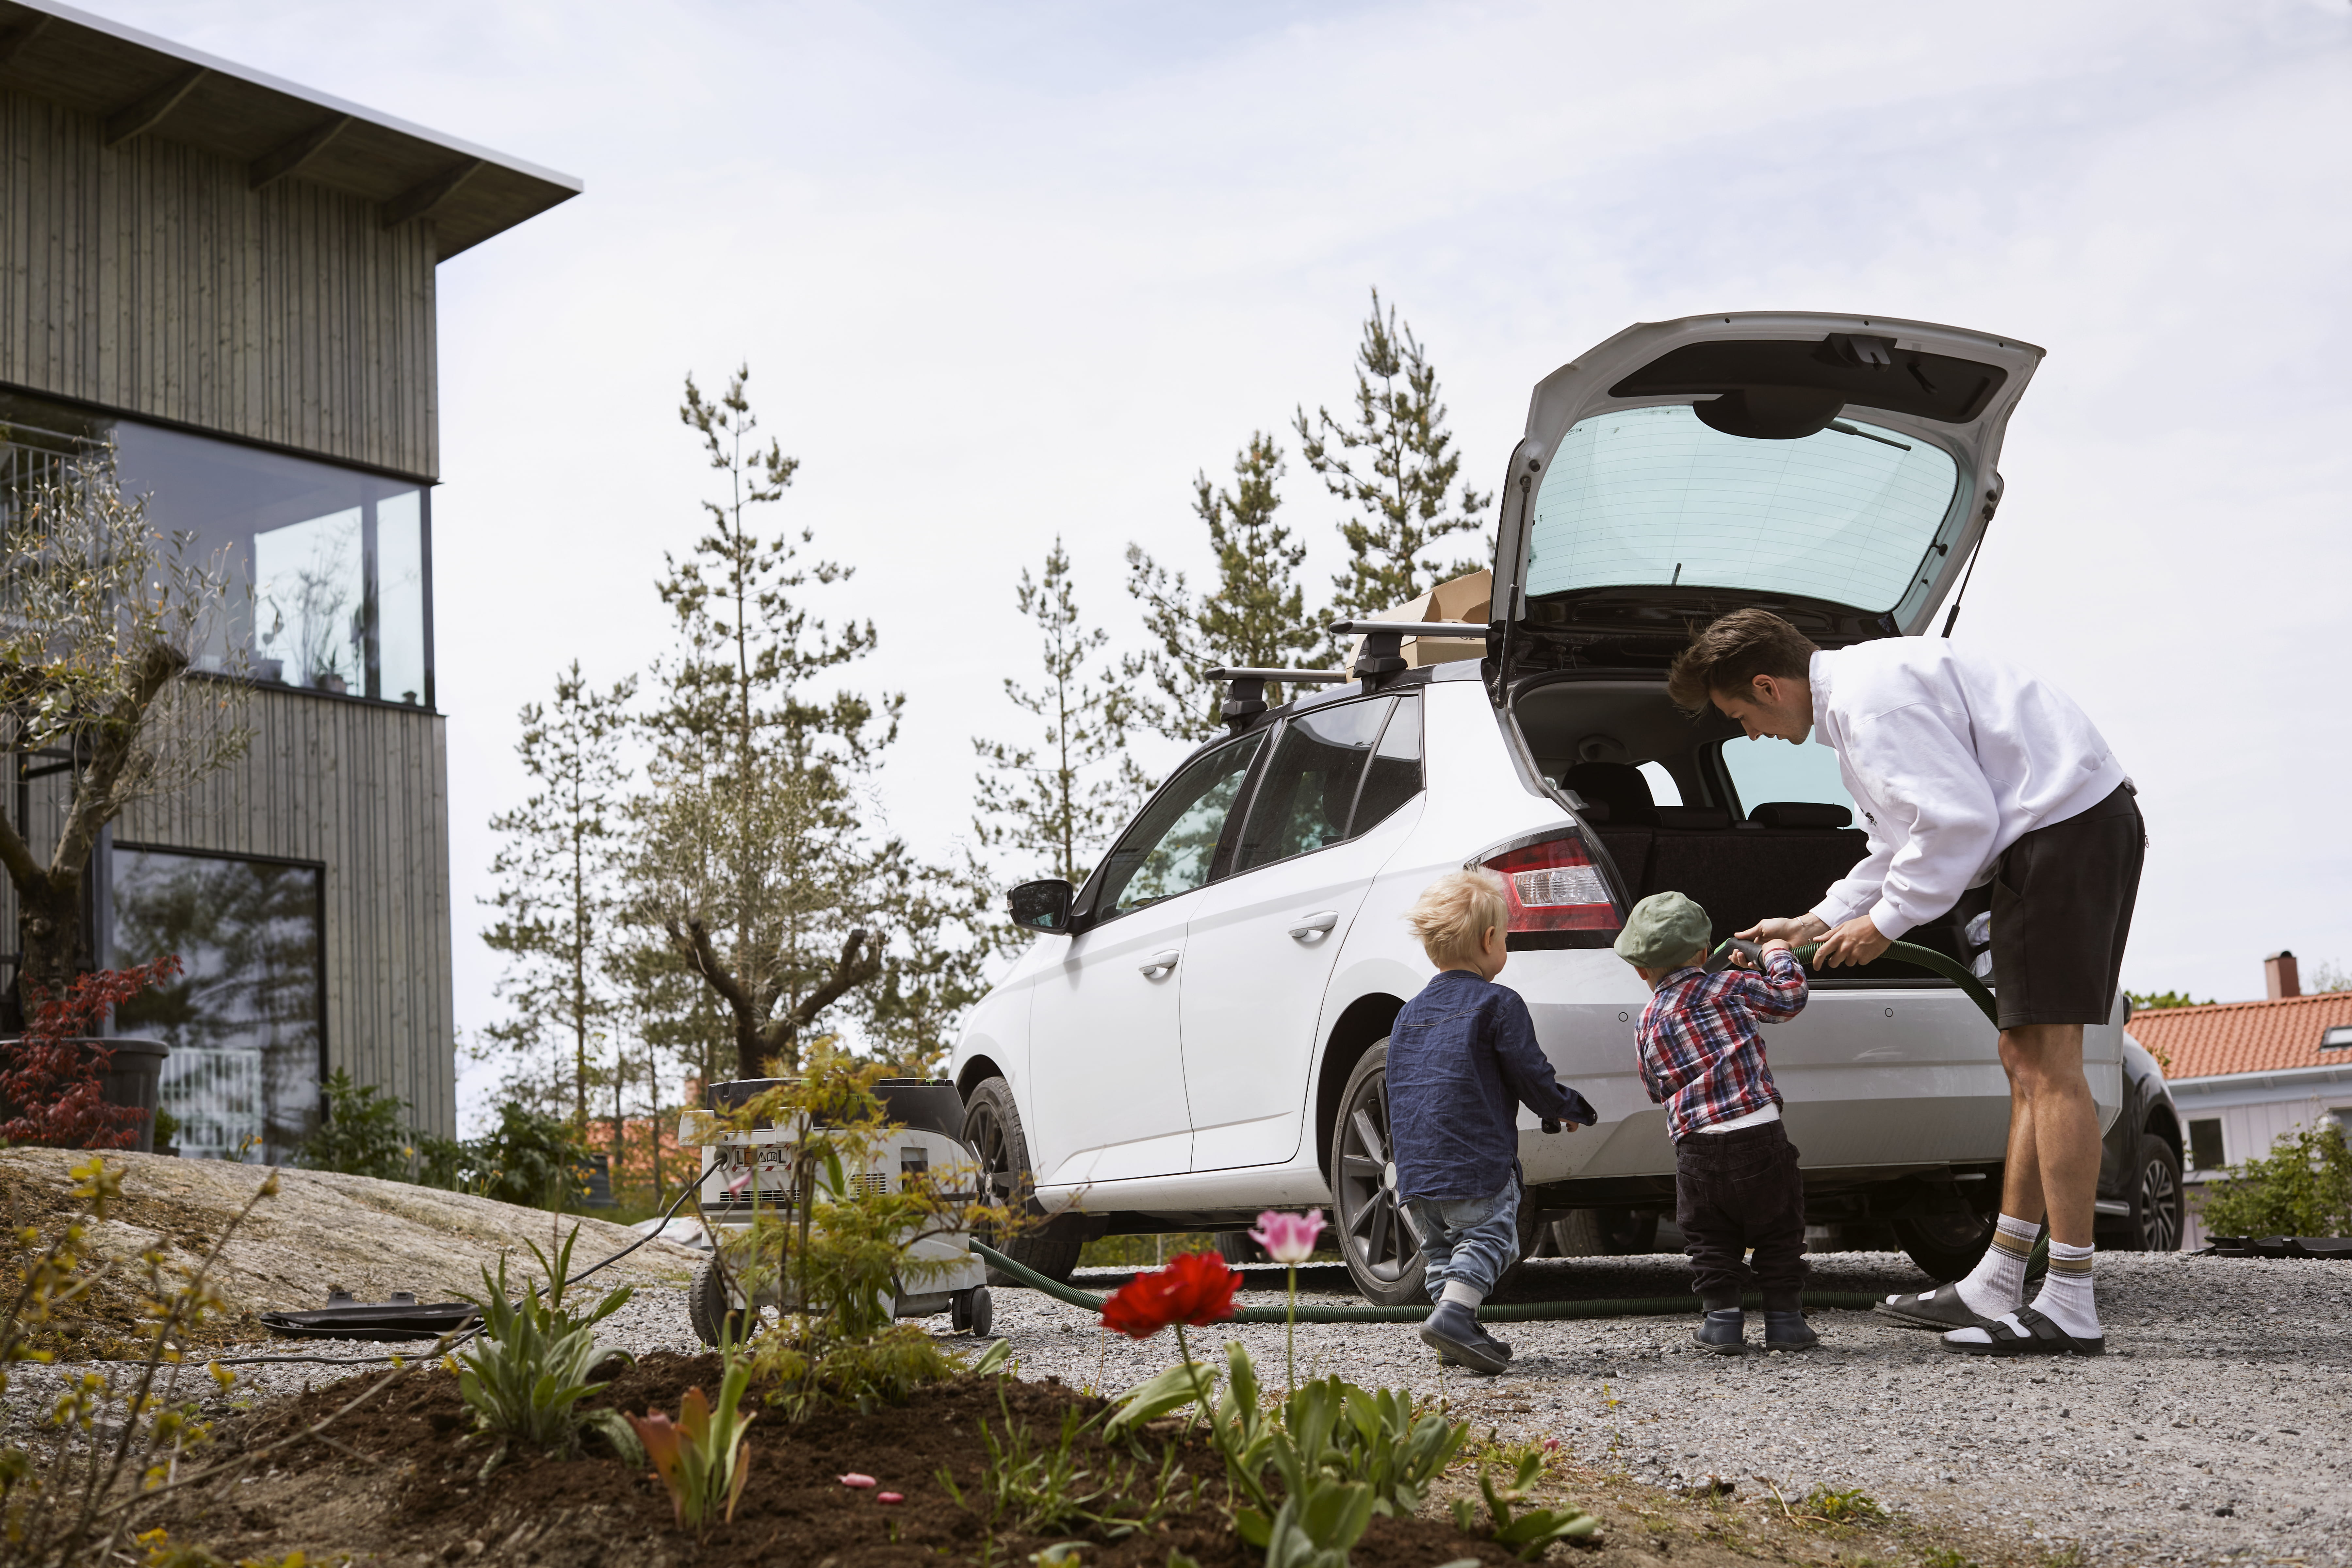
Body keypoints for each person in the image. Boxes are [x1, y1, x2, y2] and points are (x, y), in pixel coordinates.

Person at [1668, 610, 2142, 1359]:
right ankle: (1998, 1280)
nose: (1749, 732)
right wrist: (1815, 921)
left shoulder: (1871, 703)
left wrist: (1885, 924)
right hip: (2049, 838)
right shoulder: (1859, 701)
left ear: (1767, 684)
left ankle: (2073, 1301)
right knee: (2025, 1062)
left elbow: (1956, 824)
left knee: (2052, 1068)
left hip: (2066, 834)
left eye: (1741, 716)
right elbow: (1901, 841)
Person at [1388, 868, 1597, 1374]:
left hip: (1414, 1174)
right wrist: (1567, 1107)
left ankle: (1453, 1330)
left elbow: (1398, 1086)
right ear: (1489, 940)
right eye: (1504, 937)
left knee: (1442, 1251)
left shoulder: (1408, 1013)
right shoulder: (1498, 1003)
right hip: (1474, 1167)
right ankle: (1455, 1318)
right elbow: (1530, 1073)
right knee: (1489, 1240)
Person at [1614, 890, 1816, 1354]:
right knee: (1779, 1230)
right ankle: (1785, 1321)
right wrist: (1778, 954)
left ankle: (1722, 1322)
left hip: (1696, 1147)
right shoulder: (1730, 985)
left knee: (1709, 1237)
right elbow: (1791, 999)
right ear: (1705, 953)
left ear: (1641, 971)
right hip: (1761, 1135)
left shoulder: (1647, 1019)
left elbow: (1654, 1088)